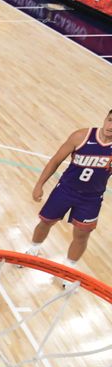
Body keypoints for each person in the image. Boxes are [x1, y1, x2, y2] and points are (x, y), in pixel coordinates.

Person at [25, 109, 112, 279]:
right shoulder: (81, 137)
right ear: (105, 119)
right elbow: (56, 160)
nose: (111, 126)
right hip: (65, 190)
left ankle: (69, 269)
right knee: (46, 222)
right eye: (110, 120)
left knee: (82, 234)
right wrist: (39, 184)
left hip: (91, 198)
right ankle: (33, 249)